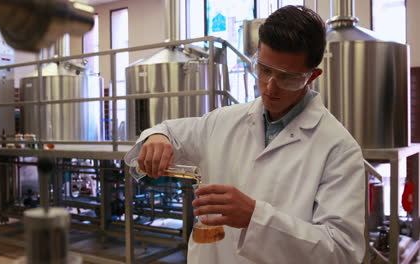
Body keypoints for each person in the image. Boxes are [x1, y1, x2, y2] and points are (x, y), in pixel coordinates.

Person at [124, 5, 365, 264]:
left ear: (311, 76)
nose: (270, 87)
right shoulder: (224, 121)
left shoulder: (338, 149)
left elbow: (342, 252)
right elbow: (168, 131)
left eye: (287, 78)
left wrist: (255, 218)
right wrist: (157, 138)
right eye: (264, 70)